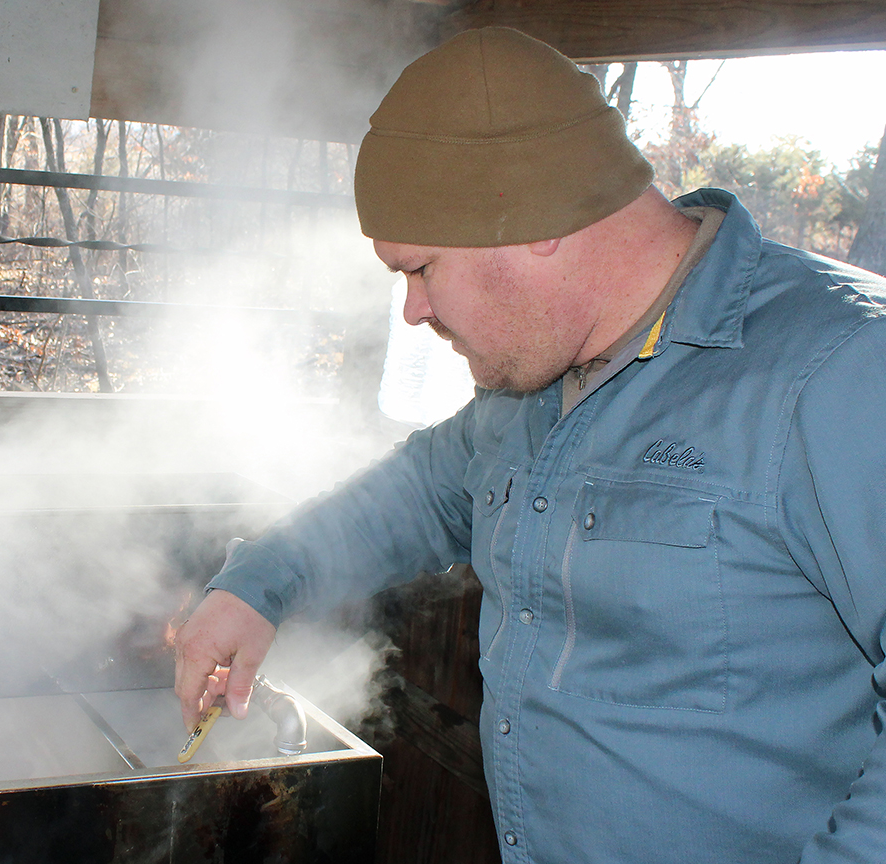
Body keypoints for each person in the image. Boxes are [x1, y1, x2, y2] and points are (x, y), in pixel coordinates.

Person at [174, 26, 886, 864]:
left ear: (533, 220)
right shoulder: (532, 384)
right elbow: (416, 492)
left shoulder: (842, 374)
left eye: (420, 269)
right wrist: (258, 585)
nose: (411, 310)